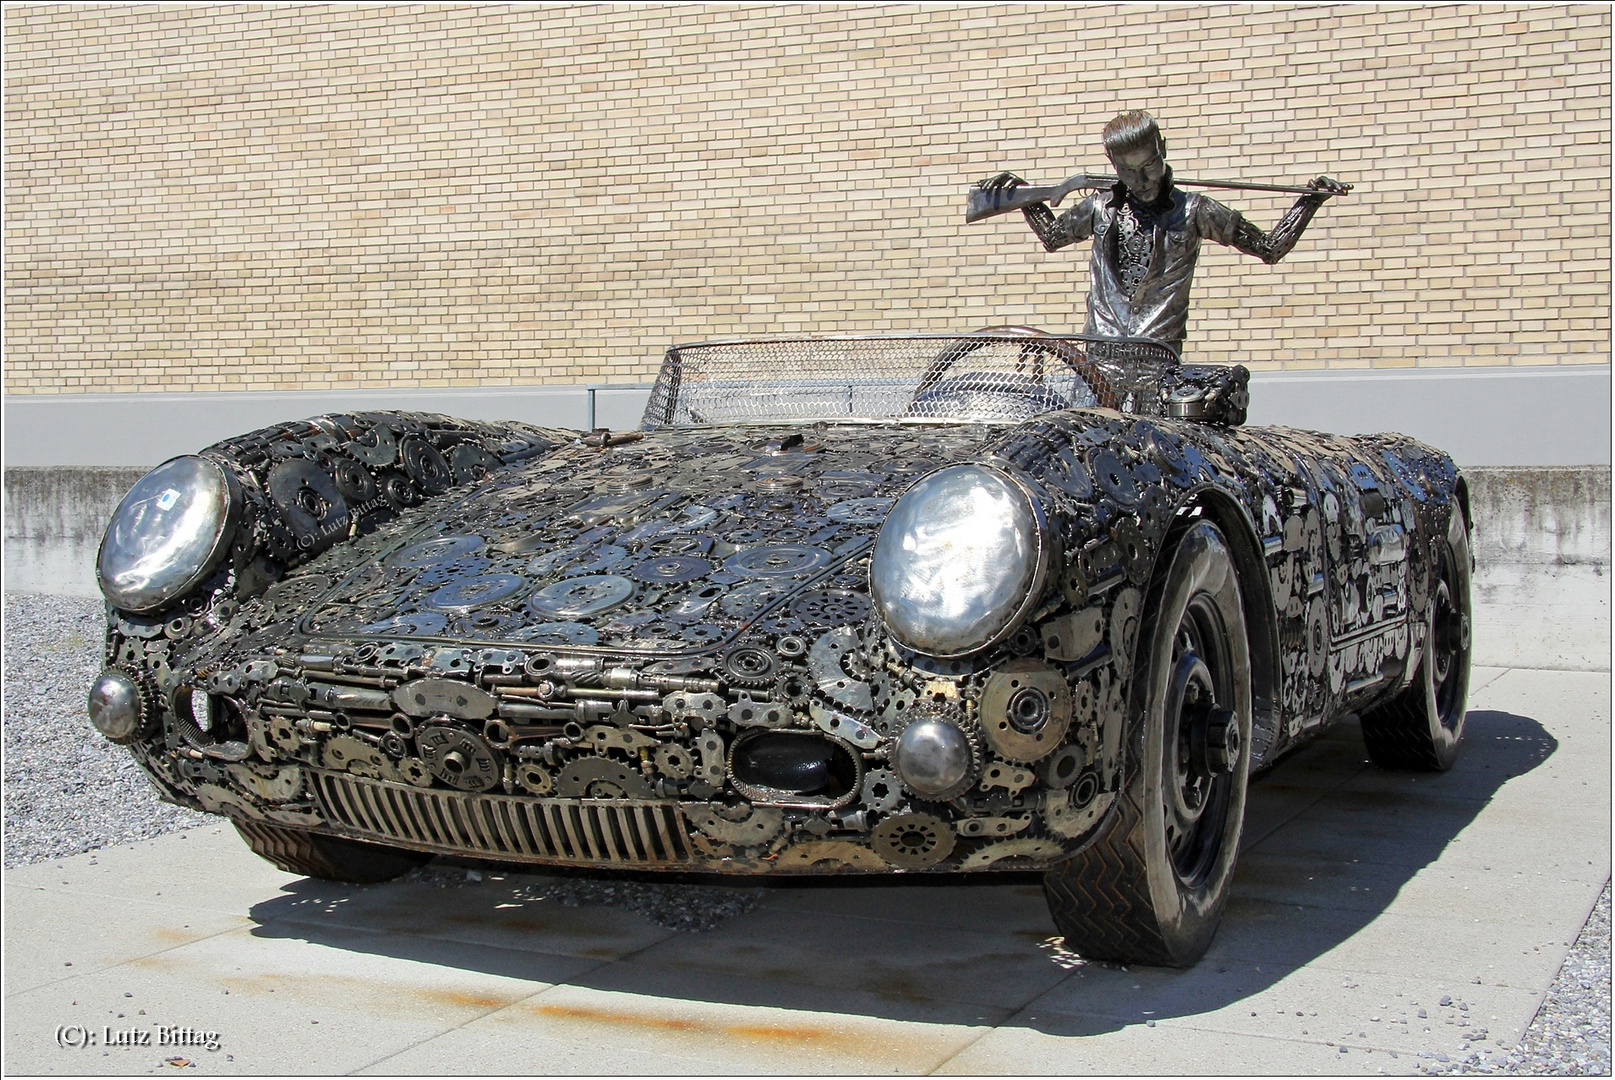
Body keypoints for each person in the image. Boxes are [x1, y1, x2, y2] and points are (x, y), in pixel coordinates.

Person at [980, 110, 1346, 356]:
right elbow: (1052, 236)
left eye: (1150, 165)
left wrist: (1309, 202)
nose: (1141, 181)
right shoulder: (1097, 207)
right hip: (1099, 359)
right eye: (1127, 171)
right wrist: (1022, 195)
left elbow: (1270, 247)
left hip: (1158, 361)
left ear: (1163, 150)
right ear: (1112, 166)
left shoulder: (1196, 211)